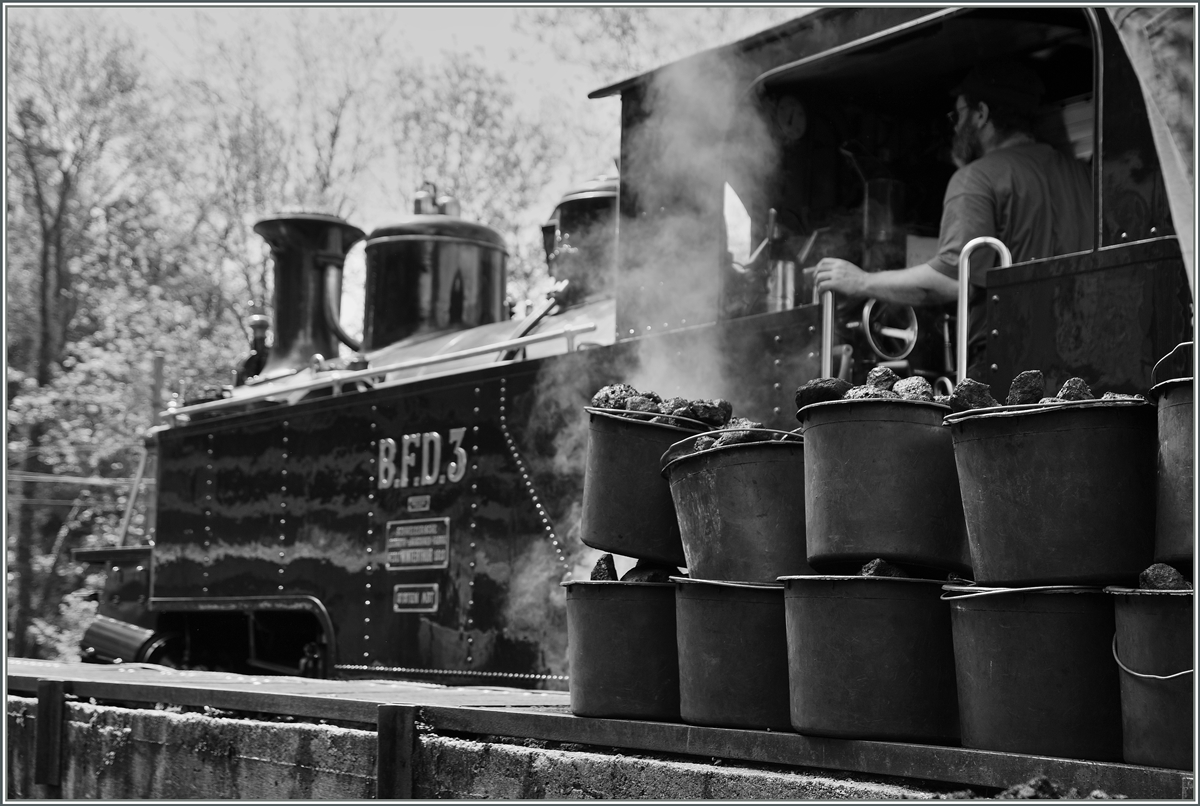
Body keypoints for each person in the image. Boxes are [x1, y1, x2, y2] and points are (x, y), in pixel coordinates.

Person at [814, 59, 1094, 375]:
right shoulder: (1084, 177)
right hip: (1087, 355)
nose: (956, 126)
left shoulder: (976, 178)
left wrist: (860, 281)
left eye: (958, 115)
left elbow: (950, 281)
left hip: (1009, 363)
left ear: (981, 114)